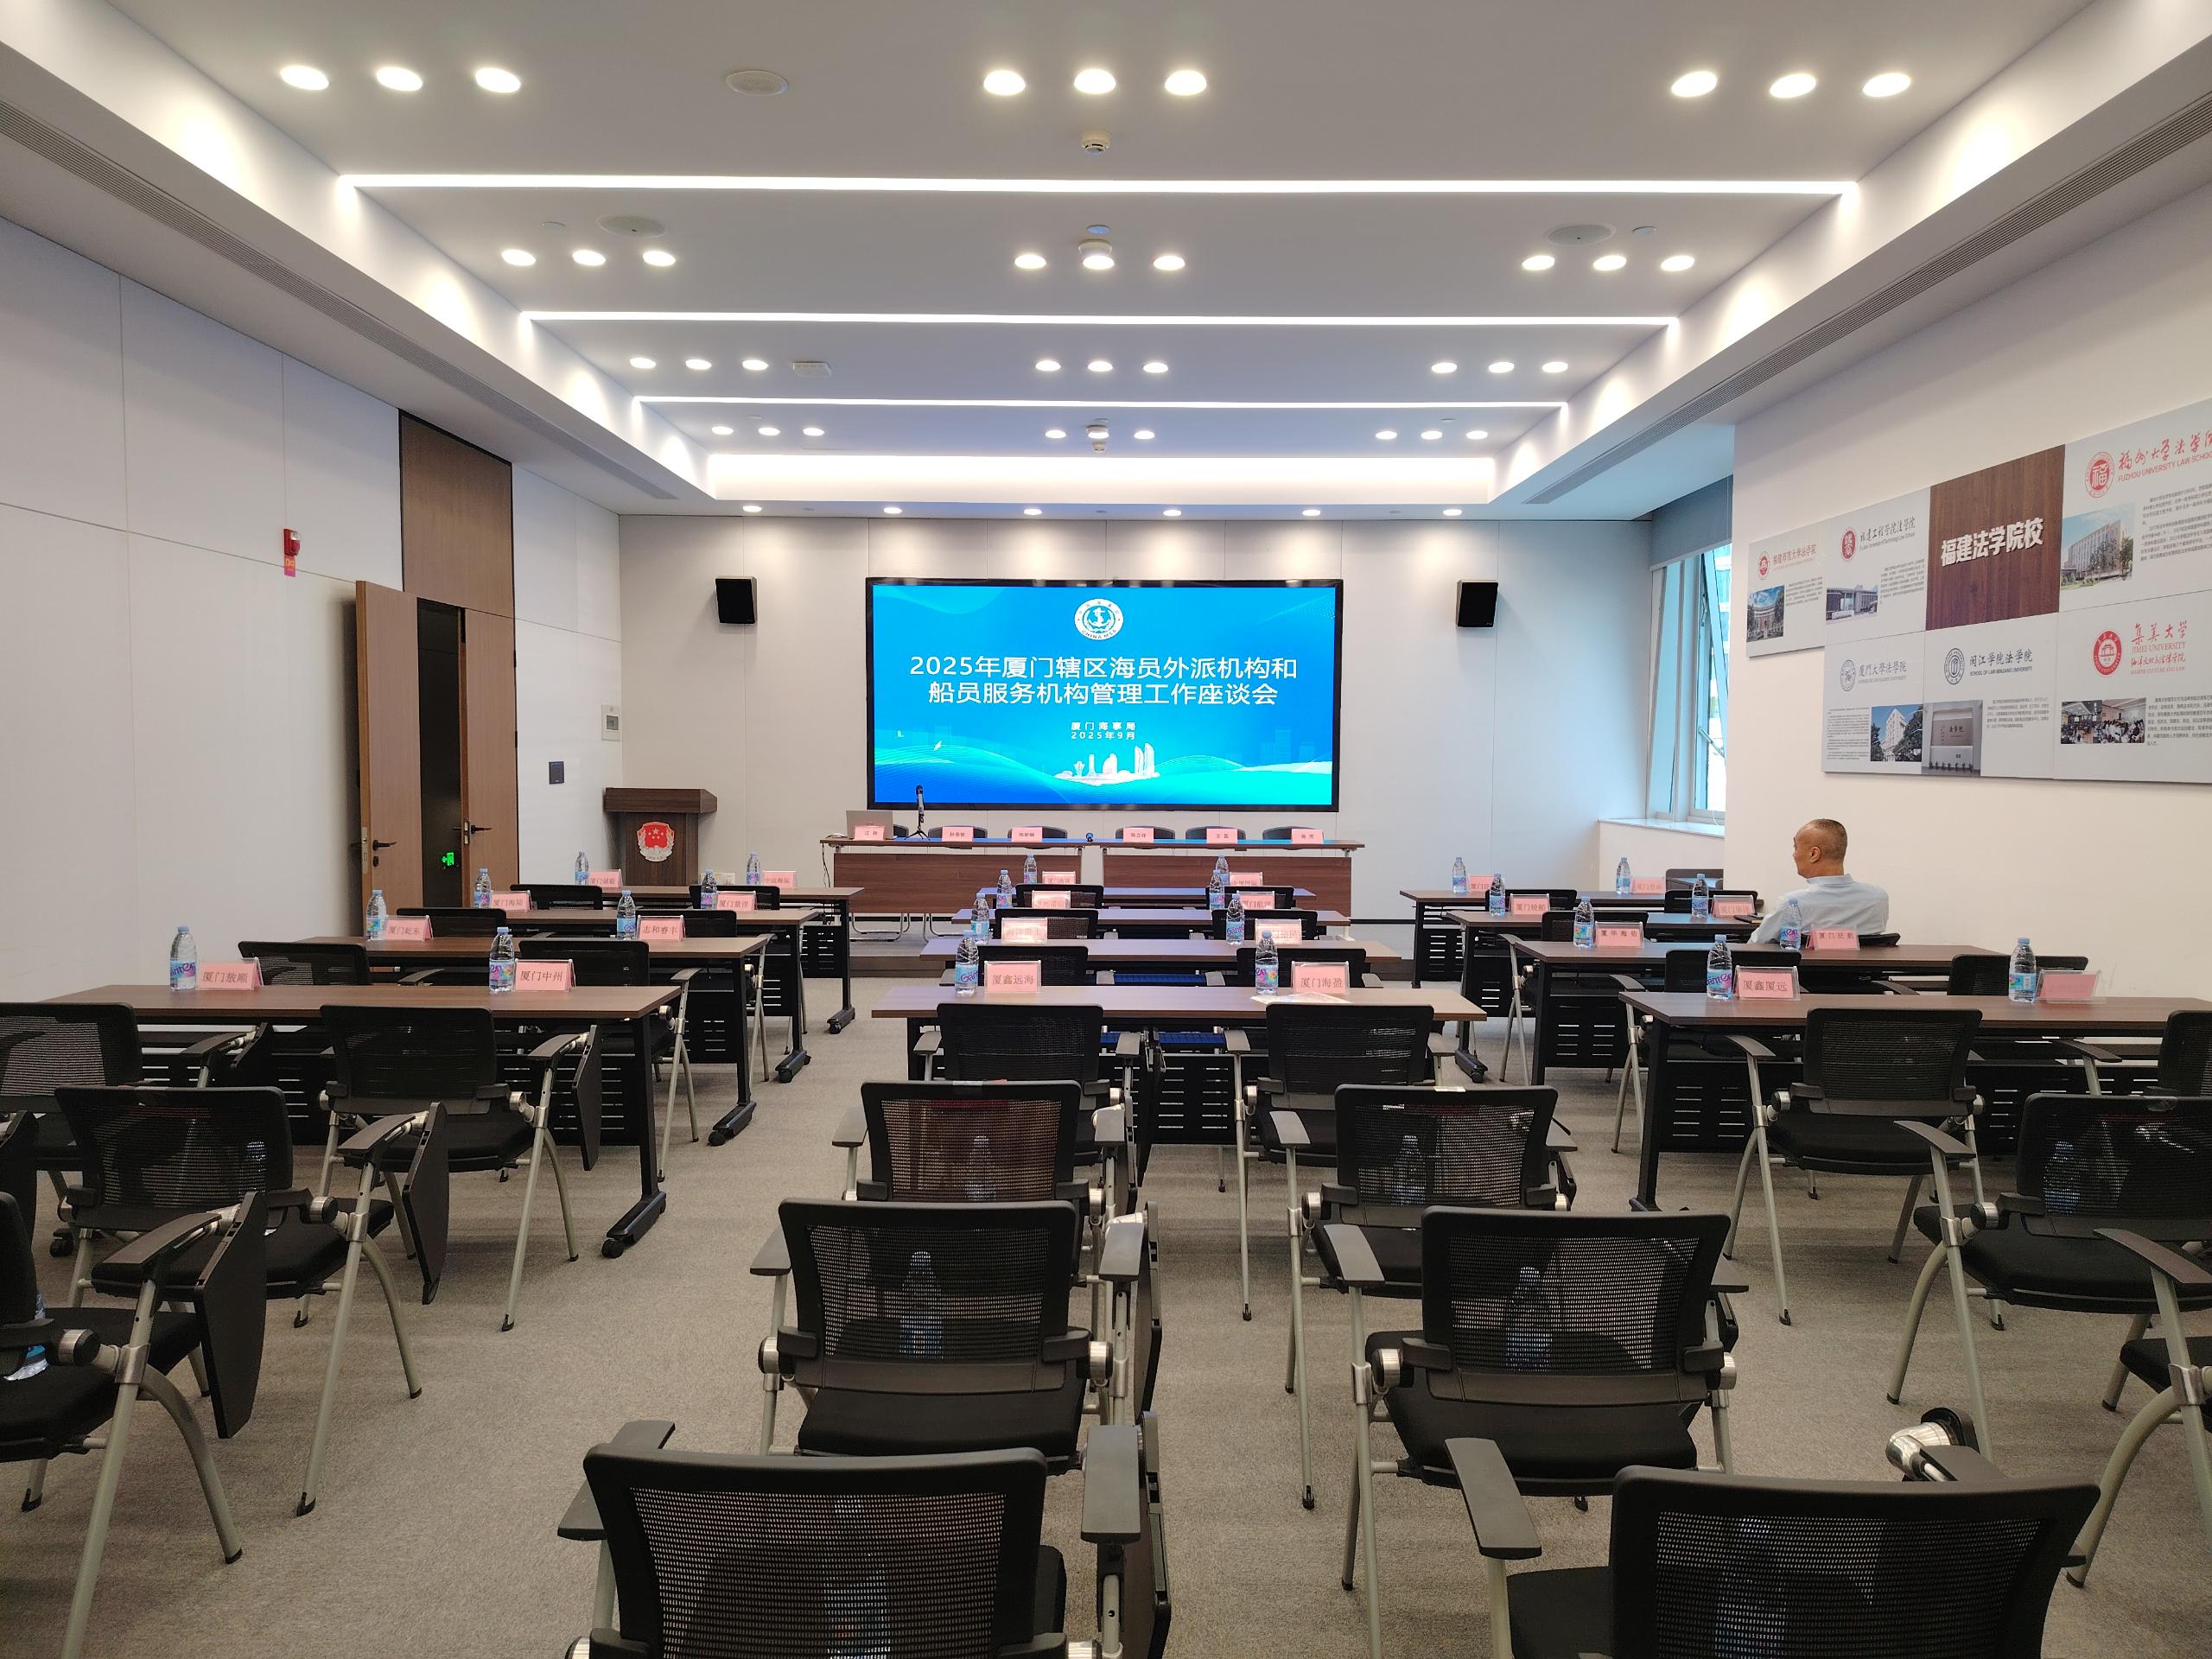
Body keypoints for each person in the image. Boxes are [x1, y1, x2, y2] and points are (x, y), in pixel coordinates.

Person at [1747, 818, 1890, 944]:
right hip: (1863, 968)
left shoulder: (1792, 905)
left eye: (1796, 848)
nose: (1794, 855)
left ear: (1813, 854)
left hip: (1806, 968)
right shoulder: (1878, 898)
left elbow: (1755, 947)